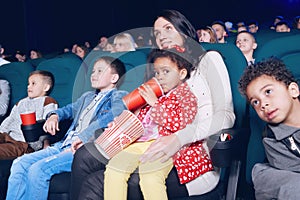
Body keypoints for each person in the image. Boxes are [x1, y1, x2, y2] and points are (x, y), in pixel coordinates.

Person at [71, 9, 234, 200]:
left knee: (97, 182)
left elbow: (226, 116)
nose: (162, 36)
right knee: (84, 156)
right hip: (148, 143)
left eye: (168, 28)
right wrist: (111, 133)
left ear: (184, 32)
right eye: (157, 33)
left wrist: (180, 138)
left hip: (191, 156)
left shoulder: (208, 59)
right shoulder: (160, 73)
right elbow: (144, 118)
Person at [5, 56, 128, 200]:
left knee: (37, 170)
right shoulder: (87, 97)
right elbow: (67, 110)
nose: (93, 74)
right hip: (62, 145)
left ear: (114, 78)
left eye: (100, 71)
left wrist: (82, 137)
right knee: (20, 163)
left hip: (82, 150)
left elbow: (112, 116)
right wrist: (53, 115)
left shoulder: (119, 96)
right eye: (93, 71)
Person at [104, 48, 207, 200]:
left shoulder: (186, 96)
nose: (160, 77)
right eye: (157, 73)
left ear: (182, 74)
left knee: (150, 177)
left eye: (166, 72)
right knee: (114, 169)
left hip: (166, 144)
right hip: (140, 142)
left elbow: (181, 124)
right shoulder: (155, 94)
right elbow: (139, 121)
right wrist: (121, 124)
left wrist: (155, 103)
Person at [238, 57, 300, 200]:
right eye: (255, 102)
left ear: (293, 90)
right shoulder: (272, 138)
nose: (263, 104)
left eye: (268, 92)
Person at [0, 70, 57, 159]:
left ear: (45, 87)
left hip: (24, 144)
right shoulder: (20, 103)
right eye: (28, 83)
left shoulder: (47, 101)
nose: (28, 86)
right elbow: (10, 119)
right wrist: (1, 132)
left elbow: (49, 120)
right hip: (8, 136)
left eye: (33, 83)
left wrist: (46, 143)